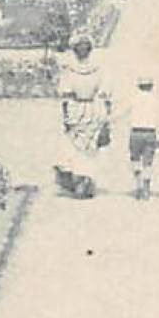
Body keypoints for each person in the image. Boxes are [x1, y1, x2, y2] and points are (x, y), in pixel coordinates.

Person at [54, 36, 109, 198]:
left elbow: (65, 95)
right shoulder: (98, 70)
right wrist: (105, 116)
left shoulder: (69, 71)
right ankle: (85, 180)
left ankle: (80, 180)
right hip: (92, 108)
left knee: (75, 145)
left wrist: (66, 117)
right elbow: (105, 94)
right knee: (90, 147)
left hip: (76, 108)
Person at [126, 76, 159, 200]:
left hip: (136, 132)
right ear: (151, 86)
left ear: (139, 86)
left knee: (135, 160)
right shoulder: (156, 101)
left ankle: (138, 185)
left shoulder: (133, 99)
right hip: (150, 133)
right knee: (148, 162)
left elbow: (122, 113)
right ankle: (146, 188)